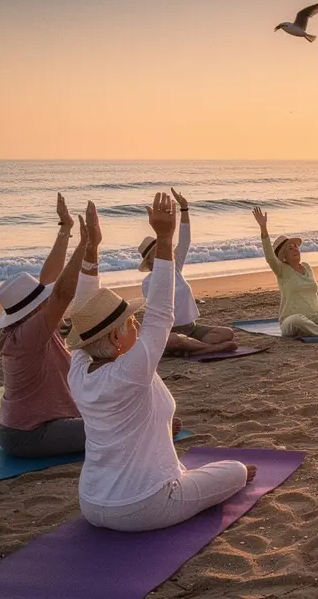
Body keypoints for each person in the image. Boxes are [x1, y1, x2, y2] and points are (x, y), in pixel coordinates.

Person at [70, 192, 254, 532]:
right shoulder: (131, 370)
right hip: (145, 505)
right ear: (113, 338)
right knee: (237, 470)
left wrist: (90, 250)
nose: (136, 324)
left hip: (92, 504)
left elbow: (84, 315)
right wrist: (166, 239)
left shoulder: (79, 368)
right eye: (129, 322)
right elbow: (160, 315)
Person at [0, 195, 100, 459]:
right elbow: (61, 293)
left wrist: (65, 228)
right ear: (35, 309)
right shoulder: (29, 336)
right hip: (30, 433)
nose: (47, 302)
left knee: (113, 417)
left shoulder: (28, 327)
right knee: (116, 427)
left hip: (17, 427)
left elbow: (49, 279)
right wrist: (86, 246)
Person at [139, 188, 237, 356]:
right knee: (176, 340)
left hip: (192, 328)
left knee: (226, 333)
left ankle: (193, 348)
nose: (164, 250)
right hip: (170, 332)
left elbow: (185, 240)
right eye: (156, 251)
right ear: (148, 260)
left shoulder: (174, 268)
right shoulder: (148, 282)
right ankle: (207, 349)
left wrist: (184, 209)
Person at [251, 207, 318, 337]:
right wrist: (263, 227)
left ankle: (314, 330)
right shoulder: (281, 270)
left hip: (316, 318)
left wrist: (316, 323)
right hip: (291, 321)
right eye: (290, 249)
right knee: (297, 319)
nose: (295, 250)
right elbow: (270, 256)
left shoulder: (307, 267)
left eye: (296, 247)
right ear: (284, 256)